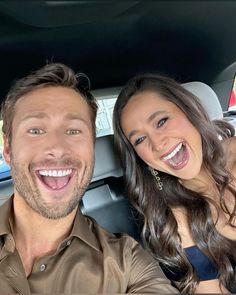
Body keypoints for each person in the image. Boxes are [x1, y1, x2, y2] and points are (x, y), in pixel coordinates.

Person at [0, 64, 178, 294]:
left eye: (74, 131)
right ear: (7, 149)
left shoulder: (129, 265)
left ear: (92, 148)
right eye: (35, 130)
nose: (57, 148)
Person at [113, 73, 236, 294]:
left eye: (162, 121)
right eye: (140, 139)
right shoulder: (173, 225)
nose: (158, 144)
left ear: (189, 111)